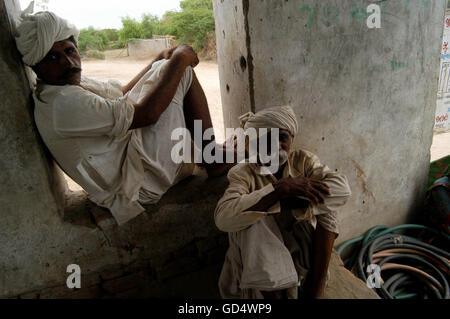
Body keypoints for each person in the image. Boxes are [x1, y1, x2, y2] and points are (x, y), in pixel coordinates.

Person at [14, 10, 230, 225]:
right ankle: (215, 160)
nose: (69, 63)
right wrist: (180, 60)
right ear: (36, 66)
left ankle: (205, 153)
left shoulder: (64, 86)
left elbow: (123, 92)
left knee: (163, 68)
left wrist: (158, 59)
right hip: (137, 186)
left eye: (70, 51)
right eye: (53, 58)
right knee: (180, 72)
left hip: (130, 165)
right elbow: (147, 114)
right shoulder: (62, 103)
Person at [214, 105, 352, 299]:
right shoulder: (243, 172)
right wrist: (277, 191)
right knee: (250, 221)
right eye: (267, 140)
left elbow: (342, 190)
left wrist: (283, 200)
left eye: (282, 138)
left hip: (296, 245)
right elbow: (223, 218)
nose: (277, 146)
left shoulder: (303, 161)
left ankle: (316, 289)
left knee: (326, 205)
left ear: (292, 139)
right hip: (261, 263)